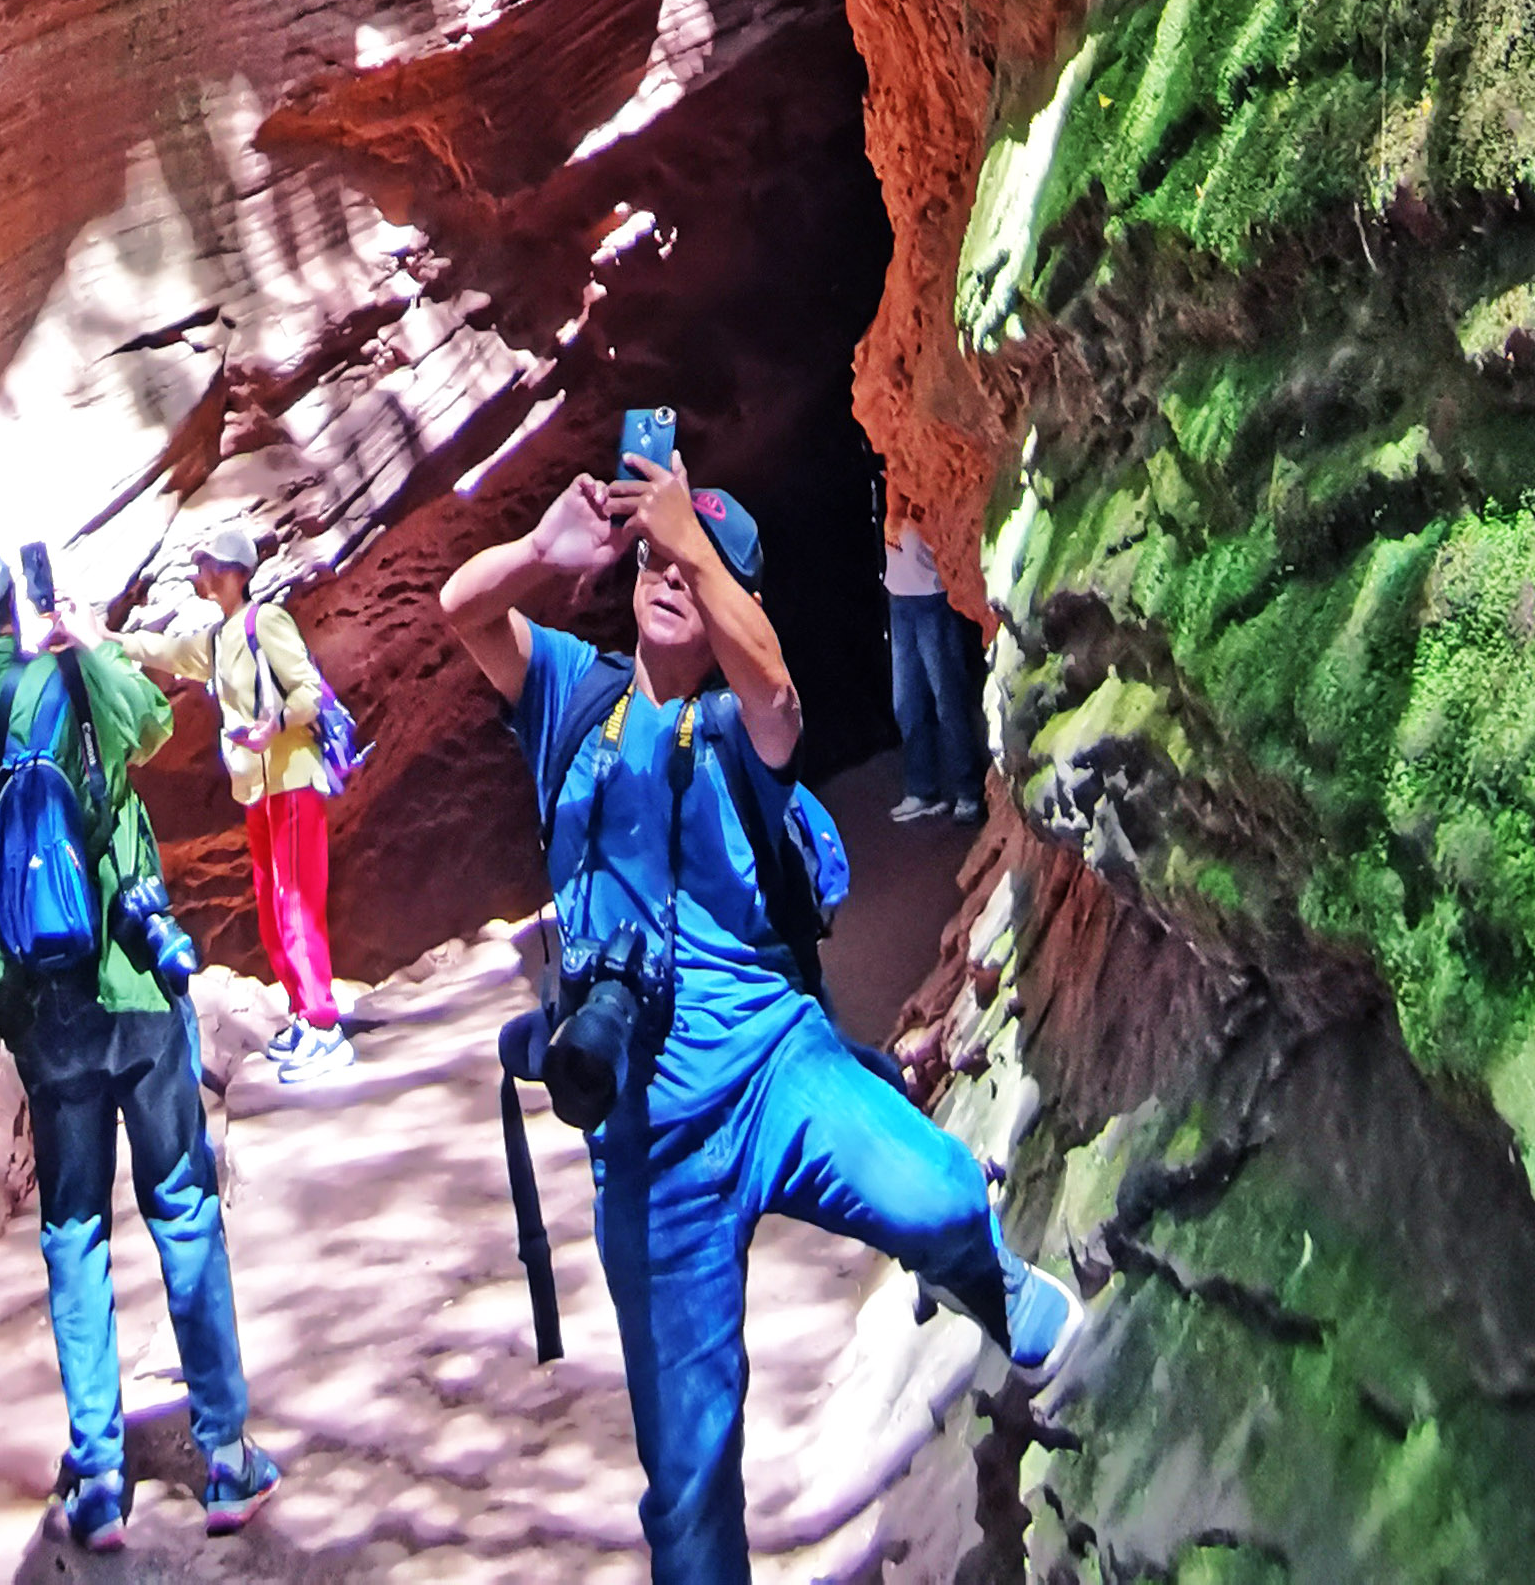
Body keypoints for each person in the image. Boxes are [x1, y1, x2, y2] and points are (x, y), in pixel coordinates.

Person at [442, 450, 1084, 1585]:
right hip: (648, 1142)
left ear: (735, 593)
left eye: (699, 567)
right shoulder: (570, 697)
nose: (670, 577)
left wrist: (688, 532)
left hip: (777, 1073)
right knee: (687, 1486)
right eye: (654, 560)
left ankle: (982, 1282)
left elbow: (780, 700)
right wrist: (544, 552)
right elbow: (462, 610)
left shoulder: (744, 729)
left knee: (936, 1195)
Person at [0, 546, 284, 1550]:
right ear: (18, 606)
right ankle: (224, 1456)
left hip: (45, 1013)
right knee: (180, 1204)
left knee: (74, 1230)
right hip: (132, 982)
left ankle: (98, 1476)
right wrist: (79, 643)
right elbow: (161, 722)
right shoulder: (76, 675)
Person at [126, 505, 353, 1085]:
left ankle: (326, 1028)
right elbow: (175, 655)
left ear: (228, 570)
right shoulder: (222, 634)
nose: (198, 574)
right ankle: (304, 1015)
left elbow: (307, 691)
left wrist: (277, 724)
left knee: (299, 900)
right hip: (257, 789)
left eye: (204, 565)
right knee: (274, 905)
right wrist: (112, 643)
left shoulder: (265, 621)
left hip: (292, 778)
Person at [884, 509, 987, 825]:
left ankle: (968, 791)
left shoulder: (921, 491)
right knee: (907, 703)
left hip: (933, 600)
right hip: (899, 599)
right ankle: (922, 790)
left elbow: (946, 537)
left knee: (948, 699)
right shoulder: (892, 491)